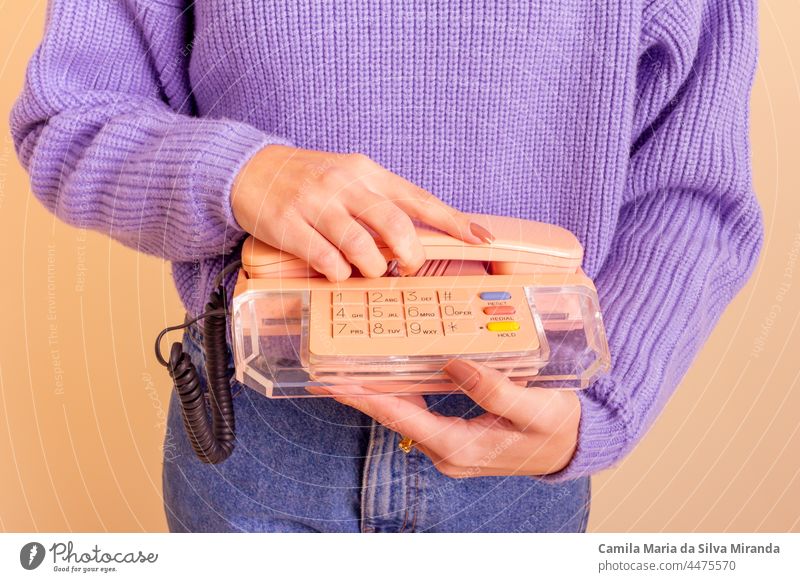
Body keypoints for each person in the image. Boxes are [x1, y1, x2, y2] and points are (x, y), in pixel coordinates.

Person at [11, 0, 762, 532]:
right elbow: (68, 119)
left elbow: (693, 186)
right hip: (256, 428)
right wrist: (244, 174)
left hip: (519, 439)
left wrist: (604, 408)